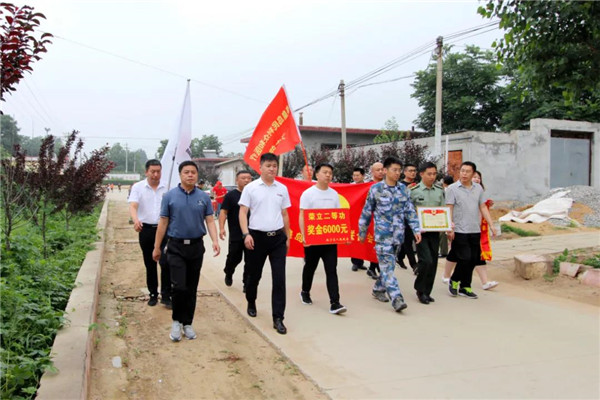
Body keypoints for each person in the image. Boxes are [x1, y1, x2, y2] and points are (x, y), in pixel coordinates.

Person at [152, 160, 220, 342]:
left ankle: (187, 323)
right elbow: (163, 223)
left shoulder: (204, 197)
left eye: (193, 172)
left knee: (191, 288)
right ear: (180, 175)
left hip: (196, 247)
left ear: (197, 175)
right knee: (179, 286)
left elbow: (210, 221)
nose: (190, 175)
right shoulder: (170, 196)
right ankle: (176, 321)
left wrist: (215, 240)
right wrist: (157, 247)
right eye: (186, 172)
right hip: (175, 247)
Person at [359, 156, 421, 312]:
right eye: (394, 170)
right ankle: (396, 298)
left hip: (398, 236)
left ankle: (378, 289)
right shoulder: (376, 189)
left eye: (399, 170)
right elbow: (367, 211)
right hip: (382, 235)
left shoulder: (403, 190)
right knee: (387, 267)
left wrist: (416, 229)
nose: (397, 173)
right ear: (385, 171)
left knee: (389, 266)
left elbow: (410, 211)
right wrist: (362, 231)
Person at [239, 153, 291, 335]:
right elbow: (243, 212)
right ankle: (251, 300)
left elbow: (285, 214)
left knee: (279, 278)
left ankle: (278, 317)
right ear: (260, 167)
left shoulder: (282, 188)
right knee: (254, 275)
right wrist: (246, 234)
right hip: (256, 238)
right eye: (268, 165)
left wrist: (288, 236)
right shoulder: (251, 188)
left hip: (277, 238)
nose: (272, 169)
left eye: (274, 166)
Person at [299, 163, 347, 315]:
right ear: (317, 175)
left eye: (330, 173)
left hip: (329, 240)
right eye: (325, 172)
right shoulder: (308, 194)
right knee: (310, 268)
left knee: (331, 270)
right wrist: (304, 236)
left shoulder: (334, 194)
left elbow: (338, 216)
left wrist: (342, 234)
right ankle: (305, 291)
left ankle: (335, 302)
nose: (328, 175)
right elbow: (302, 215)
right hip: (313, 239)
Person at [445, 162, 497, 300]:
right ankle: (455, 279)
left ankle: (465, 286)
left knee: (474, 259)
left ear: (473, 173)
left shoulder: (478, 188)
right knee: (464, 257)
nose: (464, 174)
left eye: (468, 171)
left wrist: (491, 225)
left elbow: (483, 207)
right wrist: (449, 227)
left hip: (475, 229)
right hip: (459, 229)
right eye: (462, 171)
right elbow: (449, 208)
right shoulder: (452, 189)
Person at [128, 159, 171, 308]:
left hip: (165, 230)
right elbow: (133, 206)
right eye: (152, 171)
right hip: (146, 230)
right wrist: (135, 220)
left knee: (166, 262)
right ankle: (153, 294)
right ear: (146, 172)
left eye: (158, 171)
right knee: (150, 263)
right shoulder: (138, 187)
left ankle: (166, 295)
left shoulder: (167, 187)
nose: (155, 174)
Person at [409, 162, 445, 304]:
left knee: (434, 262)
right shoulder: (414, 191)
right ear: (421, 174)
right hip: (420, 232)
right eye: (429, 174)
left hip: (435, 231)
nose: (432, 177)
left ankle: (427, 291)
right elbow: (409, 210)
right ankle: (419, 288)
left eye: (434, 174)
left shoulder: (439, 190)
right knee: (426, 260)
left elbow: (443, 209)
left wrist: (448, 225)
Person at [219, 170, 253, 290]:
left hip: (252, 234)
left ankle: (246, 283)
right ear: (237, 180)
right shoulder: (231, 195)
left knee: (250, 261)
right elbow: (223, 212)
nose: (247, 180)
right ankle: (229, 271)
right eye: (243, 178)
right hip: (236, 234)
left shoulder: (254, 194)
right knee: (235, 257)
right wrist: (222, 228)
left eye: (249, 178)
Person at [397, 163, 419, 273]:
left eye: (414, 171)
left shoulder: (419, 185)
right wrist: (406, 190)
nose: (413, 173)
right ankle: (414, 265)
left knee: (415, 239)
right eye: (410, 171)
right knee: (408, 241)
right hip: (403, 217)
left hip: (416, 217)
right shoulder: (400, 185)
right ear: (404, 172)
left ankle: (399, 257)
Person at [365, 162, 384, 279]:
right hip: (372, 220)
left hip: (385, 221)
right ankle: (374, 266)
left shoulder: (389, 185)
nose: (381, 172)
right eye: (378, 170)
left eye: (382, 169)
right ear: (372, 172)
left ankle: (374, 267)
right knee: (374, 244)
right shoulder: (368, 187)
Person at [350, 167, 368, 272]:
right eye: (354, 175)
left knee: (365, 240)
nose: (355, 177)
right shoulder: (350, 187)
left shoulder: (367, 187)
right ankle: (355, 262)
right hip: (354, 217)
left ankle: (361, 261)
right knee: (355, 239)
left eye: (358, 175)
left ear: (363, 176)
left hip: (365, 216)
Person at [438, 175, 455, 258]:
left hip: (444, 213)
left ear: (444, 183)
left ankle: (444, 251)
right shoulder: (455, 189)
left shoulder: (444, 190)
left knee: (443, 234)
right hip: (453, 214)